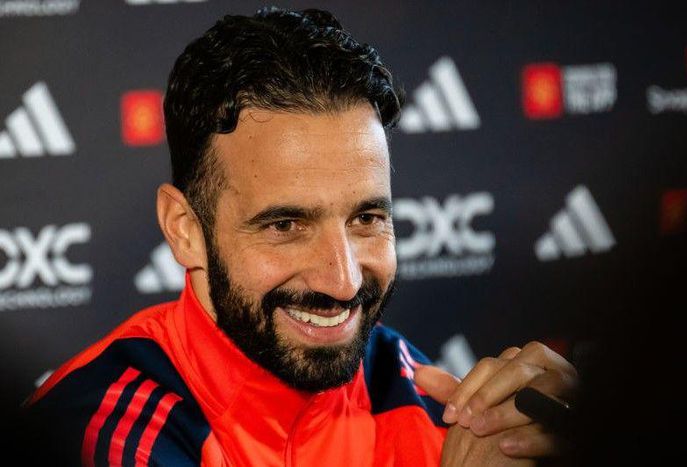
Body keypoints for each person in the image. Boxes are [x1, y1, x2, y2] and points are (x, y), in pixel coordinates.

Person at [20, 7, 577, 466]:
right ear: (185, 230)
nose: (344, 281)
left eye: (366, 219)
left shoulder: (437, 406)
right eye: (285, 226)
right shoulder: (95, 434)